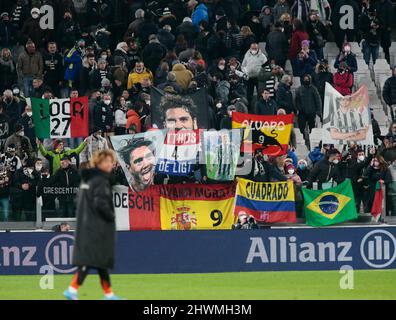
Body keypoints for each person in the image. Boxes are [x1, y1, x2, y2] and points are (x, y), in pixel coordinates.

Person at [64, 149, 121, 300]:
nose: (110, 164)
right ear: (99, 163)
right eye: (107, 161)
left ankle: (109, 295)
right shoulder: (101, 180)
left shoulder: (86, 180)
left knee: (99, 262)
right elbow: (101, 203)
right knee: (90, 261)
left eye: (111, 161)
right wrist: (111, 216)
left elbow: (78, 202)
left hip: (86, 224)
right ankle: (72, 289)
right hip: (97, 227)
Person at [241, 43, 267, 108]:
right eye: (253, 48)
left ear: (258, 48)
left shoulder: (262, 56)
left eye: (255, 48)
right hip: (249, 77)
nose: (254, 50)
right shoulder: (246, 55)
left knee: (260, 93)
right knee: (249, 93)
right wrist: (245, 72)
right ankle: (249, 107)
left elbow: (266, 66)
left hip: (259, 78)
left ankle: (260, 106)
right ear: (250, 48)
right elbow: (243, 65)